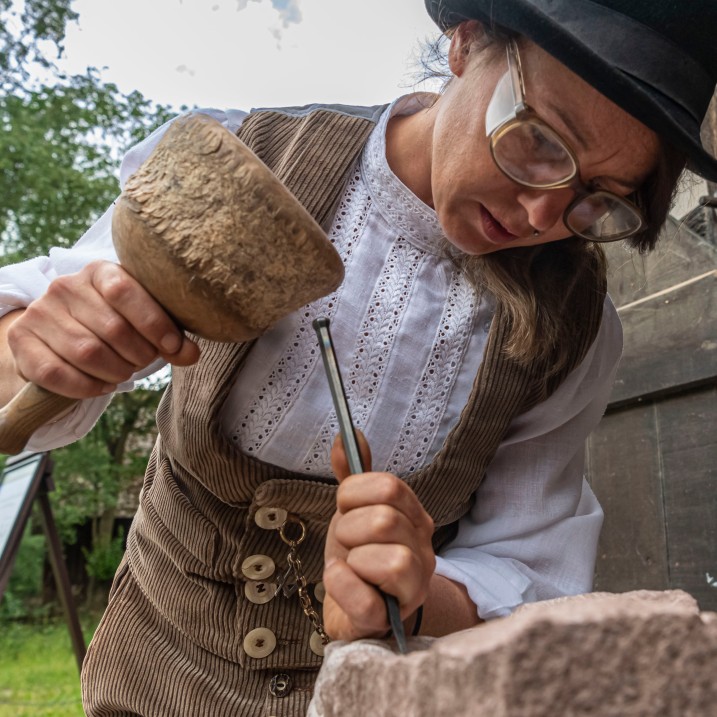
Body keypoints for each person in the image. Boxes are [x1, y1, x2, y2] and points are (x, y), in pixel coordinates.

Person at [1, 0, 716, 714]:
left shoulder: (573, 326)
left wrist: (415, 592)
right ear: (465, 44)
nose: (541, 213)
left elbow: (525, 559)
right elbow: (25, 349)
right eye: (537, 141)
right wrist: (42, 340)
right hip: (150, 673)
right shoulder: (245, 157)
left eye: (597, 198)